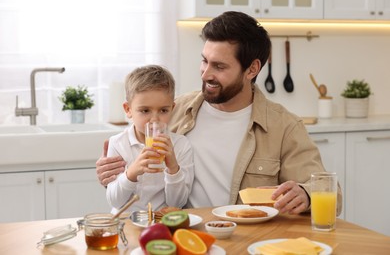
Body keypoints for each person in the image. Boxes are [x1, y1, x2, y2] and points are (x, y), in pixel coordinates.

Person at [97, 11, 342, 215]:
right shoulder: (176, 109)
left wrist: (306, 194)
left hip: (247, 240)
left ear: (252, 69)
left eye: (219, 66)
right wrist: (115, 170)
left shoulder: (284, 126)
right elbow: (136, 163)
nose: (205, 74)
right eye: (204, 61)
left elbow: (331, 192)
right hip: (186, 234)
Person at [105, 65, 194, 213]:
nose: (154, 119)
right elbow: (115, 201)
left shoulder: (180, 145)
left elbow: (177, 203)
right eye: (145, 111)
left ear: (172, 108)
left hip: (162, 223)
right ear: (128, 109)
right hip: (125, 224)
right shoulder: (118, 143)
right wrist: (131, 172)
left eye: (163, 110)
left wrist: (173, 167)